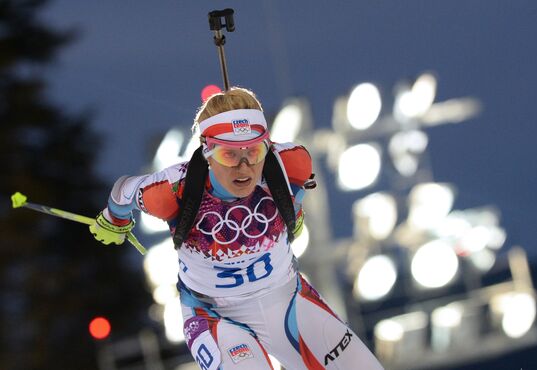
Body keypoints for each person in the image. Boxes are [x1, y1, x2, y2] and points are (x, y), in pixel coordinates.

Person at [90, 87, 384, 370]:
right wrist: (115, 219)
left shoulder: (291, 163)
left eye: (254, 152)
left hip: (287, 300)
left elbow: (297, 194)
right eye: (229, 155)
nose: (244, 168)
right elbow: (124, 191)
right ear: (208, 151)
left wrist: (294, 212)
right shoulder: (173, 189)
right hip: (216, 316)